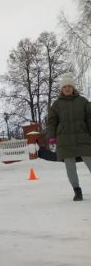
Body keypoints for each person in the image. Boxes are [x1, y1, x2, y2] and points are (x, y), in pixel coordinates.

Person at [47, 72, 91, 201]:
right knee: (70, 167)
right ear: (61, 89)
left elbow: (90, 119)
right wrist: (52, 137)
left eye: (69, 86)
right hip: (65, 141)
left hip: (83, 138)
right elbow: (51, 122)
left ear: (73, 88)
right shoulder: (56, 105)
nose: (67, 88)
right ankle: (77, 190)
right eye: (64, 87)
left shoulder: (83, 101)